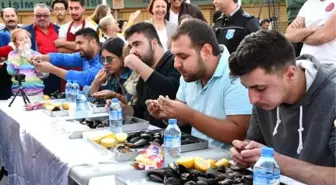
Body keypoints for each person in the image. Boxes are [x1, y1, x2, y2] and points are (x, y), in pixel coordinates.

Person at [229, 30, 336, 184]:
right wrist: (245, 153)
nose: (252, 99)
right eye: (247, 88)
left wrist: (278, 162)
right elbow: (254, 141)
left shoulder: (332, 97)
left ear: (290, 74)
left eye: (260, 88)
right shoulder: (264, 99)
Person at [146, 19, 251, 148]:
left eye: (183, 57)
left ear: (206, 51)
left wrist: (189, 114)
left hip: (229, 163)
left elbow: (238, 134)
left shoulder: (235, 75)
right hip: (197, 156)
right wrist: (168, 114)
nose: (176, 64)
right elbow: (182, 117)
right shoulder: (189, 74)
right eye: (174, 56)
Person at [107, 22, 181, 130]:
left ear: (154, 43)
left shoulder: (174, 61)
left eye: (137, 44)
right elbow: (142, 109)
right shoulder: (145, 68)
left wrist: (139, 65)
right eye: (130, 46)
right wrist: (125, 109)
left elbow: (171, 91)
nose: (132, 51)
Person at [29, 28, 102, 87]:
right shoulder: (86, 55)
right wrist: (42, 57)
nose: (77, 48)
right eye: (76, 44)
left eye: (80, 43)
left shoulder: (104, 59)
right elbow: (64, 58)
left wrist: (52, 69)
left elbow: (84, 79)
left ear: (93, 42)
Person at [24, 3, 61, 95]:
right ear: (34, 15)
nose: (42, 18)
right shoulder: (25, 31)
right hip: (36, 73)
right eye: (38, 15)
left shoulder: (60, 30)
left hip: (57, 70)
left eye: (45, 15)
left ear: (50, 15)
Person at [90, 37, 132, 104]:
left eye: (109, 59)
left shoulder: (132, 73)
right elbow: (92, 100)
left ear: (122, 57)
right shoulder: (109, 74)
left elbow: (132, 103)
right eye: (103, 59)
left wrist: (114, 95)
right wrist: (96, 83)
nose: (105, 63)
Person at [6, 29, 48, 96]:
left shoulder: (37, 55)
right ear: (15, 44)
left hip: (37, 91)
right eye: (20, 40)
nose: (25, 41)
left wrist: (37, 65)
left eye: (26, 38)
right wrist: (19, 55)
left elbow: (45, 75)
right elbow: (11, 72)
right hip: (18, 93)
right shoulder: (12, 54)